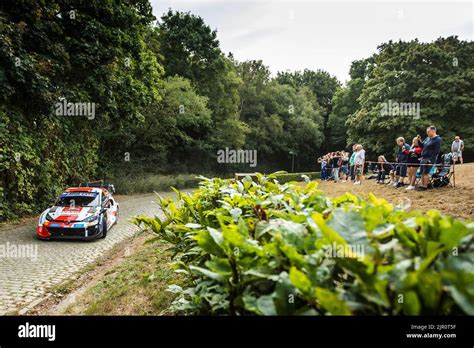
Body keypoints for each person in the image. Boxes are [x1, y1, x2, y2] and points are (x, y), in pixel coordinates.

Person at [416, 126, 442, 191]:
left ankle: (425, 186)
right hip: (423, 158)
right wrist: (419, 140)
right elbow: (422, 146)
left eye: (428, 132)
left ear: (433, 131)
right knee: (422, 172)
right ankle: (422, 185)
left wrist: (430, 159)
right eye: (427, 132)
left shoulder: (438, 139)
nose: (427, 133)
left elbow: (437, 151)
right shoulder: (427, 138)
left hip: (429, 158)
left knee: (426, 173)